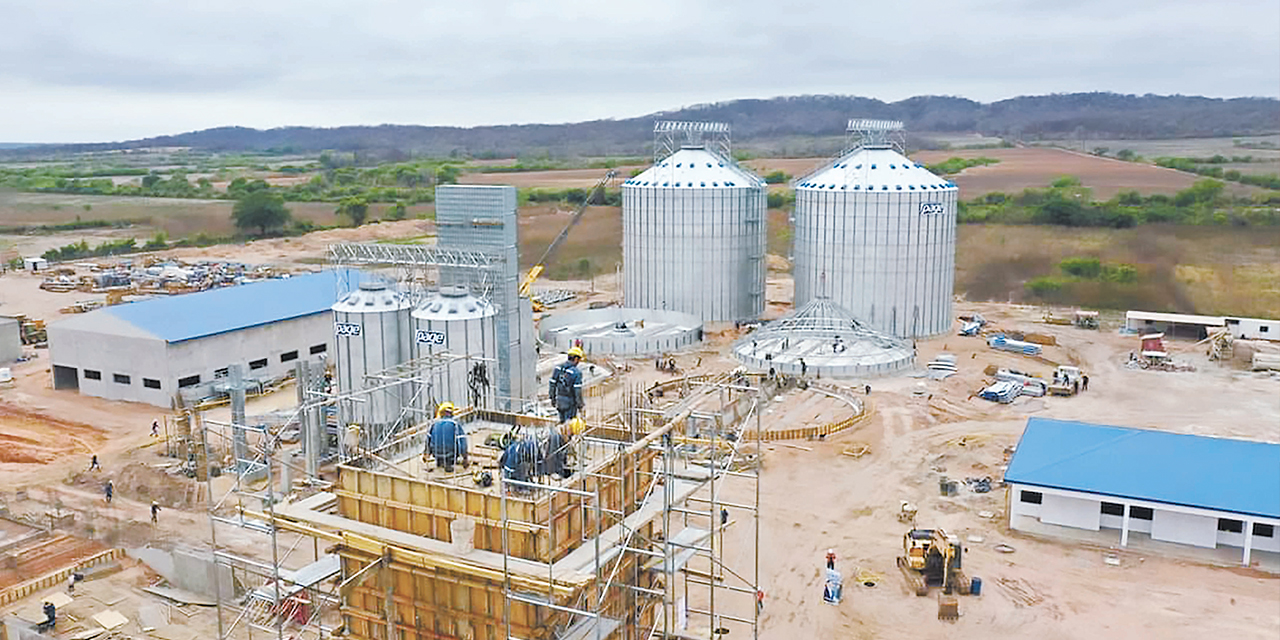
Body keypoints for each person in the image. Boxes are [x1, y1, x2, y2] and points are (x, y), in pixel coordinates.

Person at [424, 402, 468, 472]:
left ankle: (440, 462)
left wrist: (426, 454)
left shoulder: (433, 424)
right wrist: (465, 458)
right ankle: (449, 463)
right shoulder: (455, 425)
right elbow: (462, 442)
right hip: (450, 455)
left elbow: (428, 440)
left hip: (436, 454)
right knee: (456, 440)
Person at [549, 347, 586, 423]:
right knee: (569, 425)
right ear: (576, 359)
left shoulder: (558, 368)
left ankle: (562, 434)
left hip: (560, 401)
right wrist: (580, 405)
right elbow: (577, 391)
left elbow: (552, 384)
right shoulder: (576, 372)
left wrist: (552, 398)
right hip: (570, 403)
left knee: (562, 424)